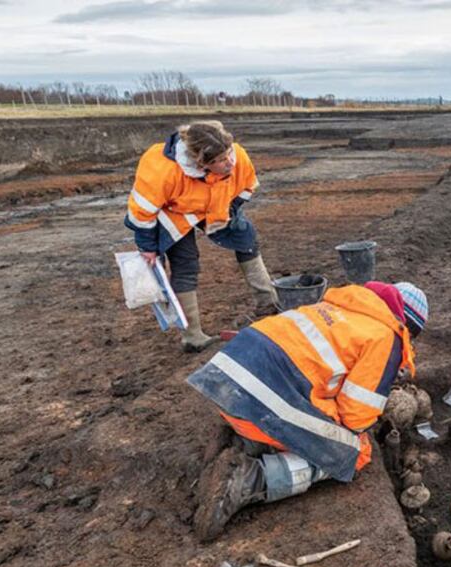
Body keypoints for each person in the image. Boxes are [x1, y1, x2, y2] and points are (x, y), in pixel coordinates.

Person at [186, 280, 429, 540]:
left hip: (227, 386)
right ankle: (251, 479)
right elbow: (355, 418)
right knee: (354, 451)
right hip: (260, 398)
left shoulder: (340, 304)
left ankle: (245, 441)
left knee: (311, 417)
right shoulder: (386, 336)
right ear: (408, 328)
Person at [124, 120, 279, 352]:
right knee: (185, 264)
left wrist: (232, 210)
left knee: (246, 239)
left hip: (216, 203)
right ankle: (192, 336)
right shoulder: (162, 169)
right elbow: (141, 211)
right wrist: (147, 246)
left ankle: (269, 304)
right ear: (201, 163)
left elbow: (247, 185)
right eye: (220, 161)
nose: (229, 163)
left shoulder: (237, 157)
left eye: (229, 155)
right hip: (175, 213)